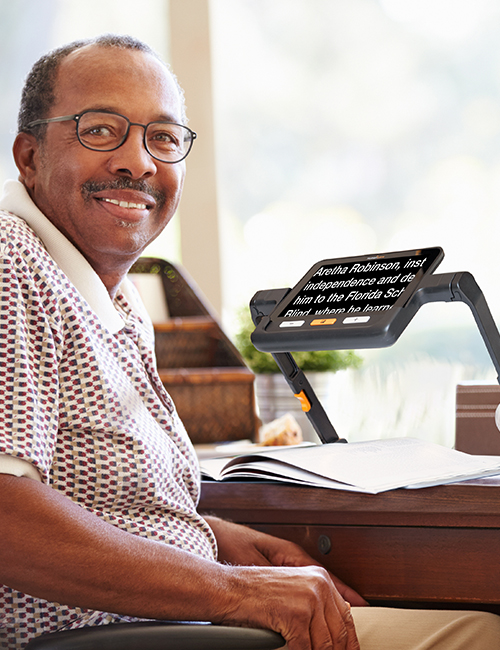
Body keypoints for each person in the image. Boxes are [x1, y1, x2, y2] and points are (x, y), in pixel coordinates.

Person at [0, 34, 499, 650]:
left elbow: (88, 495)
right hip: (121, 634)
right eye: (101, 130)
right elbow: (5, 519)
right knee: (476, 635)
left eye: (163, 137)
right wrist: (235, 588)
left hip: (161, 620)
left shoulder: (105, 292)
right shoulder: (10, 263)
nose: (139, 162)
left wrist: (212, 537)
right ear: (28, 156)